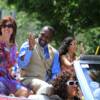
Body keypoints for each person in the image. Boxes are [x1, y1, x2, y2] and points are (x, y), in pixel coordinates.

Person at [18, 26, 61, 90]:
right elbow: (21, 64)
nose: (43, 38)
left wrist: (53, 83)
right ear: (39, 33)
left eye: (47, 37)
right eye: (42, 35)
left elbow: (55, 73)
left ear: (51, 40)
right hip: (28, 80)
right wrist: (30, 49)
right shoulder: (28, 44)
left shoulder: (55, 53)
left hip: (46, 83)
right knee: (46, 87)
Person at [0, 16, 29, 97]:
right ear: (1, 28)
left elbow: (13, 65)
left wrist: (15, 72)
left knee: (25, 92)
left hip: (9, 78)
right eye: (4, 26)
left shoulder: (14, 46)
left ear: (13, 29)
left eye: (9, 26)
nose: (6, 28)